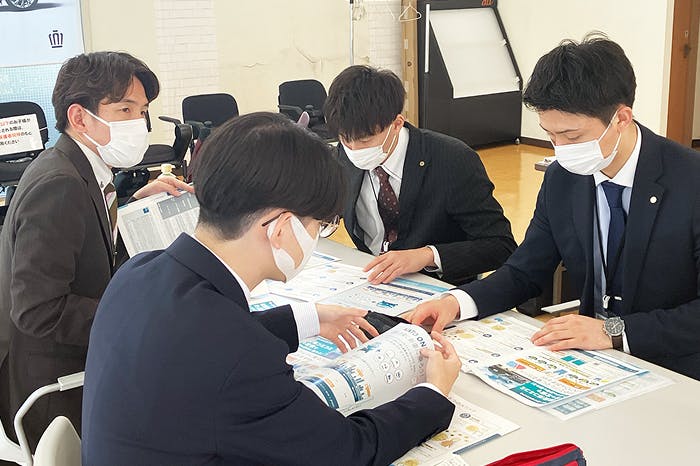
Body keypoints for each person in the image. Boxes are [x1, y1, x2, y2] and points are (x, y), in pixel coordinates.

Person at [81, 112, 462, 465]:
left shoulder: (138, 272)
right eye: (319, 225)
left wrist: (310, 319)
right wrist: (432, 393)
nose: (317, 235)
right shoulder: (239, 356)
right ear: (281, 229)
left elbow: (204, 342)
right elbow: (347, 451)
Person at [407, 34, 700, 380]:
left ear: (622, 118)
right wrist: (456, 303)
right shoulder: (563, 178)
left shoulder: (690, 181)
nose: (560, 149)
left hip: (675, 365)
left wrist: (614, 332)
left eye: (572, 137)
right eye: (550, 135)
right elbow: (525, 270)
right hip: (593, 361)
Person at [0, 51, 192, 449]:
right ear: (80, 117)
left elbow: (82, 236)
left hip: (71, 359)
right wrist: (135, 316)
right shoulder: (59, 185)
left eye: (143, 111)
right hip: (52, 386)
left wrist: (133, 204)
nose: (139, 123)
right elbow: (37, 310)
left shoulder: (76, 167)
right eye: (125, 109)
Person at [323, 65, 516, 286]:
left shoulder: (451, 159)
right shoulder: (341, 156)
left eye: (365, 141)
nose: (354, 150)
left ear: (397, 124)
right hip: (371, 280)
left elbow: (500, 245)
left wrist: (427, 256)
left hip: (437, 286)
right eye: (345, 139)